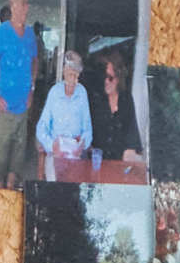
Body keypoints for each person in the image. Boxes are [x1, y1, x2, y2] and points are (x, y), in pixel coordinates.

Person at [0, 0, 42, 187]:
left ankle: (11, 189)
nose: (26, 8)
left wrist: (32, 87)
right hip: (5, 107)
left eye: (27, 4)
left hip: (24, 105)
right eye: (22, 3)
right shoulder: (2, 32)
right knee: (0, 157)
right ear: (12, 5)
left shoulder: (31, 34)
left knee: (18, 154)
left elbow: (34, 60)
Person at [34, 48, 94, 177]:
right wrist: (51, 145)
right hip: (56, 151)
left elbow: (88, 128)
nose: (75, 81)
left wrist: (83, 143)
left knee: (73, 189)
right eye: (72, 75)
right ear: (64, 72)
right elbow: (41, 127)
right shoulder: (55, 92)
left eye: (77, 76)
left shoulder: (82, 92)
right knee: (55, 188)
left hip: (75, 153)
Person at [87, 51, 146, 180]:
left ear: (119, 78)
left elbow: (132, 136)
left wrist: (130, 154)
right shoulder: (96, 100)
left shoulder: (126, 99)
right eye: (104, 77)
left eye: (110, 78)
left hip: (119, 167)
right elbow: (88, 136)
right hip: (97, 166)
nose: (106, 82)